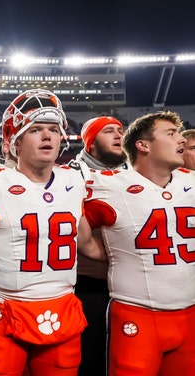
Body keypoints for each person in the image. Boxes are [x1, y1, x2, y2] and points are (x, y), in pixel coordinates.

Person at [0, 89, 88, 376]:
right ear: (16, 142)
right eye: (35, 129)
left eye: (53, 129)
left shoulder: (74, 180)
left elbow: (84, 242)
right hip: (5, 309)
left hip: (62, 306)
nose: (47, 136)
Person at [79, 111, 195, 375]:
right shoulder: (107, 185)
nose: (181, 140)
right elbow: (79, 239)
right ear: (143, 145)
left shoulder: (191, 182)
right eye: (171, 133)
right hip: (136, 314)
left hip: (190, 315)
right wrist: (116, 253)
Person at [67, 116, 127, 376]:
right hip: (88, 285)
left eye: (120, 130)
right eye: (108, 131)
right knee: (89, 360)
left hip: (131, 290)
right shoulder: (70, 175)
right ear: (90, 144)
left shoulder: (137, 174)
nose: (118, 135)